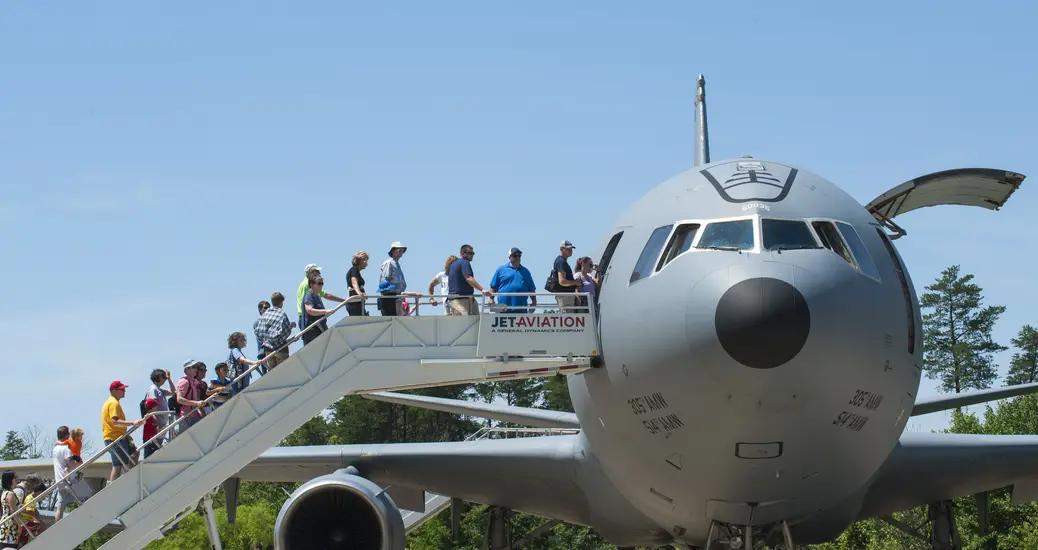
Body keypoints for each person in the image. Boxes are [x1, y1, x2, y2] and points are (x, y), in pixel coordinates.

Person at [102, 381, 144, 482]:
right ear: (114, 391)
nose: (124, 391)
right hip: (115, 438)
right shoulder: (113, 403)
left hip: (119, 437)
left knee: (134, 452)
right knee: (117, 465)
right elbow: (115, 421)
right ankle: (114, 487)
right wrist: (133, 423)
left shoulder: (112, 402)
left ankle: (130, 477)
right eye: (122, 389)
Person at [378, 242, 421, 316]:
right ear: (393, 251)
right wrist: (392, 292)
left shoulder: (396, 264)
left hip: (397, 298)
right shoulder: (389, 263)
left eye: (402, 250)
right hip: (390, 298)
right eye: (399, 249)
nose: (402, 251)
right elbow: (385, 280)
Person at [490, 247, 537, 313]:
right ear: (509, 257)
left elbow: (531, 288)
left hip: (521, 309)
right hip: (503, 308)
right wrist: (491, 299)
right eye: (515, 256)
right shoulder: (501, 270)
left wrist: (534, 302)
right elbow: (493, 286)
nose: (517, 258)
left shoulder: (526, 271)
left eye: (519, 256)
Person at [447, 244, 490, 315]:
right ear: (462, 253)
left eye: (473, 253)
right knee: (465, 321)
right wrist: (482, 289)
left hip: (464, 299)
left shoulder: (454, 263)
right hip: (459, 299)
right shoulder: (464, 262)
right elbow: (469, 278)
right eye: (470, 253)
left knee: (474, 320)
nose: (472, 255)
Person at [255, 292, 294, 371]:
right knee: (283, 372)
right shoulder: (281, 314)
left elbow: (259, 332)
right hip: (280, 348)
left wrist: (267, 341)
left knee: (273, 373)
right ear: (281, 302)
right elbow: (286, 331)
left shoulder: (266, 314)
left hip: (268, 350)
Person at [548, 240, 581, 312]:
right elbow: (562, 281)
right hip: (565, 296)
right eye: (568, 249)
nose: (570, 250)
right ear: (561, 249)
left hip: (565, 296)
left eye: (571, 249)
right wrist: (576, 282)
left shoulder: (561, 261)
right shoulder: (561, 262)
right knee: (569, 319)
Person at [302, 274, 335, 345]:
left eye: (322, 283)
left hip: (319, 330)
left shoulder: (317, 296)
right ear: (311, 284)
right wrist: (325, 311)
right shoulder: (309, 295)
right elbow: (309, 310)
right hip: (312, 332)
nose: (321, 286)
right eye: (319, 283)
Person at [52, 426, 75, 520]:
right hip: (69, 479)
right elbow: (70, 463)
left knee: (60, 507)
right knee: (87, 495)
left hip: (59, 479)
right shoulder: (66, 449)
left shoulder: (55, 448)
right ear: (66, 435)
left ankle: (57, 526)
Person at [346, 252, 369, 317]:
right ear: (358, 260)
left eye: (366, 260)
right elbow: (354, 282)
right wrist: (359, 293)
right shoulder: (354, 269)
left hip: (358, 303)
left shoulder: (356, 271)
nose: (366, 263)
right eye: (363, 260)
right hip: (354, 303)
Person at [1, 470, 20, 549]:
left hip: (5, 521)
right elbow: (13, 511)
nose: (17, 479)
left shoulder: (4, 492)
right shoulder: (10, 494)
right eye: (15, 477)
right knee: (10, 545)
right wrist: (20, 525)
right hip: (11, 523)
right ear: (10, 480)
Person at [253, 300, 271, 374]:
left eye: (269, 308)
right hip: (264, 352)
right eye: (265, 308)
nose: (268, 310)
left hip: (267, 352)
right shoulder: (258, 322)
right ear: (260, 310)